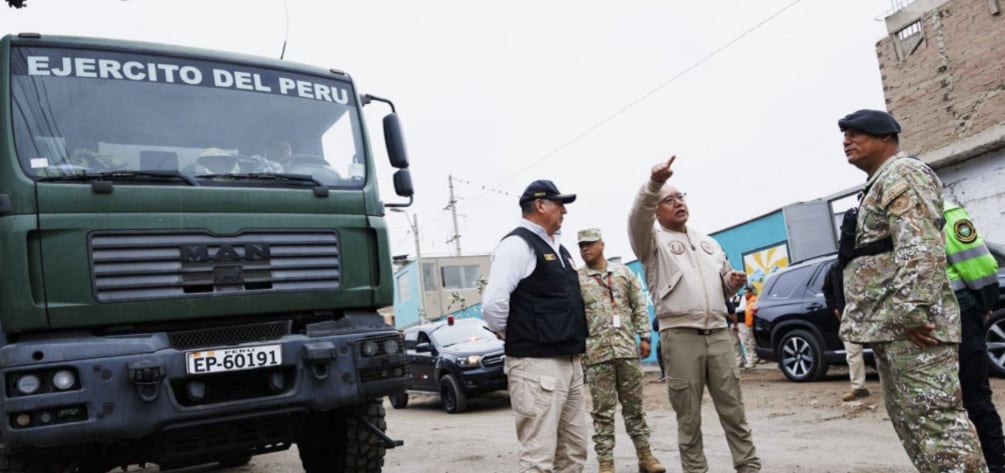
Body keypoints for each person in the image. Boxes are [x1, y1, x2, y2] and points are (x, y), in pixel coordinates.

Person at [836, 108, 986, 472]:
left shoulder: (904, 173)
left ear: (886, 137)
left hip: (914, 328)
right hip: (893, 327)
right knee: (914, 424)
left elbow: (919, 247)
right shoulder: (880, 181)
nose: (846, 141)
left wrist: (912, 311)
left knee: (938, 425)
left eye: (857, 134)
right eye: (844, 136)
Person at [628, 156, 761, 473]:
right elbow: (637, 217)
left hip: (718, 335)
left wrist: (731, 283)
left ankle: (750, 468)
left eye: (680, 197)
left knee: (735, 413)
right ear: (657, 210)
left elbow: (721, 286)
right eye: (668, 200)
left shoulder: (709, 244)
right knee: (689, 420)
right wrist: (653, 185)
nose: (677, 203)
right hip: (681, 337)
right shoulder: (651, 242)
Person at [482, 179, 589, 473]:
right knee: (539, 458)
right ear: (540, 205)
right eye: (559, 204)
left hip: (569, 362)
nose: (564, 210)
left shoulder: (561, 249)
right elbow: (493, 306)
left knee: (574, 452)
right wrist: (517, 333)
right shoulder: (516, 246)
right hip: (536, 366)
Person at [576, 228, 666, 473]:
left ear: (602, 245)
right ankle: (606, 463)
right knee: (602, 413)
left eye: (589, 244)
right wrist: (579, 348)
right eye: (581, 246)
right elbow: (574, 317)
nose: (585, 249)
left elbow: (638, 306)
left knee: (634, 409)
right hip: (596, 355)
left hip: (627, 349)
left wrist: (645, 337)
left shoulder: (624, 273)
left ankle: (645, 457)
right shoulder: (576, 279)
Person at [943, 201, 1004, 473]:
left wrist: (983, 302)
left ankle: (995, 462)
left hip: (956, 315)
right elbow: (979, 266)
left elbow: (976, 264)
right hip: (959, 316)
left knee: (965, 399)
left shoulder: (944, 211)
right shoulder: (943, 209)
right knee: (973, 397)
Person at [821, 257, 870, 402]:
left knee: (883, 350)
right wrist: (834, 307)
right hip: (848, 315)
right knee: (853, 353)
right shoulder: (836, 268)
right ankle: (859, 388)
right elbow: (826, 289)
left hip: (871, 312)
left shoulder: (865, 261)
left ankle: (893, 384)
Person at [739, 287, 760, 368]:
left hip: (753, 324)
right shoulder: (746, 301)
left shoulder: (754, 300)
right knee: (750, 341)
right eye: (744, 293)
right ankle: (755, 358)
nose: (745, 294)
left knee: (751, 341)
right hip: (748, 323)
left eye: (746, 292)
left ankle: (755, 358)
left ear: (751, 292)